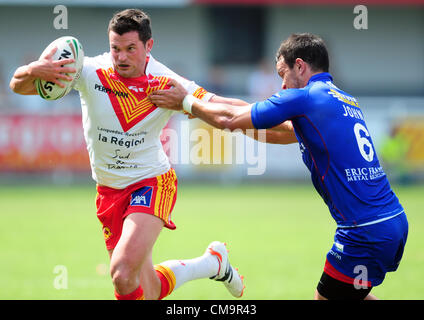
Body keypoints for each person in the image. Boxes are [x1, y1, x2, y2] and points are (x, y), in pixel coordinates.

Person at [149, 33, 409, 300]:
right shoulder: (341, 100)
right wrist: (202, 99)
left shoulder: (305, 98)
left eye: (282, 74)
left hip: (363, 231)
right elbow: (274, 131)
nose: (282, 85)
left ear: (300, 66)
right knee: (351, 295)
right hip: (393, 221)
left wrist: (185, 102)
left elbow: (229, 119)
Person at [9, 8, 245, 300]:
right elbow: (18, 86)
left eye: (130, 49)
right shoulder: (90, 70)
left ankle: (211, 263)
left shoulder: (166, 81)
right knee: (148, 289)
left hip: (151, 182)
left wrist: (273, 112)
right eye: (115, 49)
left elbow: (223, 104)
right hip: (108, 191)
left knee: (122, 274)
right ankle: (212, 263)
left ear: (149, 46)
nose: (121, 57)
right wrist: (35, 70)